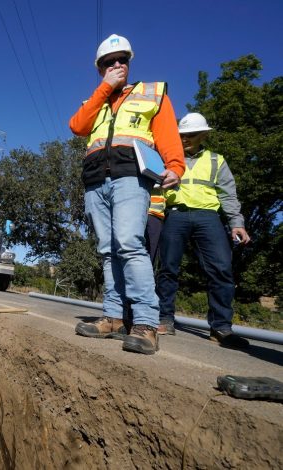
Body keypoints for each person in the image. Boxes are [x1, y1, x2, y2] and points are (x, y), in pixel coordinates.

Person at [69, 33, 185, 355]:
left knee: (130, 244)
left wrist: (176, 165)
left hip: (130, 179)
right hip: (95, 182)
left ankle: (146, 323)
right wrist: (104, 88)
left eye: (122, 60)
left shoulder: (151, 94)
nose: (117, 65)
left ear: (129, 63)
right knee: (107, 251)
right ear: (101, 68)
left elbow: (167, 133)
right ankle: (114, 318)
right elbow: (77, 127)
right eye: (109, 62)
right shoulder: (95, 101)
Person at [156, 113, 250, 347]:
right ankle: (164, 318)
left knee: (221, 269)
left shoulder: (217, 160)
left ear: (204, 135)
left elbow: (228, 194)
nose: (185, 139)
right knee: (168, 268)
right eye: (182, 135)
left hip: (209, 217)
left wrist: (236, 223)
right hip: (176, 214)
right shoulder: (167, 159)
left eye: (192, 135)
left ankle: (220, 328)